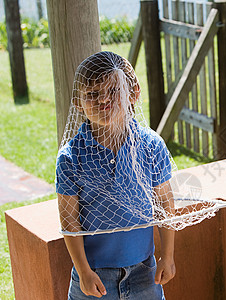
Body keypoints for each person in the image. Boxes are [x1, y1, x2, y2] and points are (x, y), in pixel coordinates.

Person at [56, 51, 176, 299]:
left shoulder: (151, 146)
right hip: (94, 275)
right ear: (78, 102)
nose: (103, 101)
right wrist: (84, 272)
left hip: (145, 271)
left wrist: (168, 256)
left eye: (113, 91)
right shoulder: (71, 157)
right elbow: (70, 222)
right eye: (92, 95)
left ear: (133, 93)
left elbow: (165, 205)